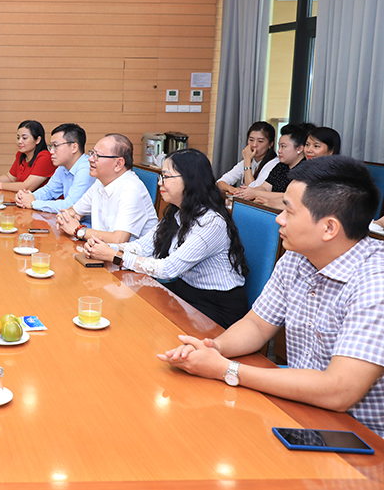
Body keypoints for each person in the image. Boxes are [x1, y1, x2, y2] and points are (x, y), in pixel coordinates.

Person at [159, 156, 384, 437]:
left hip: (362, 437)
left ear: (329, 228)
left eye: (289, 211)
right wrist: (213, 348)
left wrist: (227, 369)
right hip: (300, 410)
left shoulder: (375, 283)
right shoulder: (297, 257)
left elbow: (339, 391)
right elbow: (256, 325)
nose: (279, 218)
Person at [82, 149, 250, 328]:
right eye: (161, 176)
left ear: (190, 179)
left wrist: (114, 256)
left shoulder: (212, 222)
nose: (160, 183)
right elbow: (143, 247)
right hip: (185, 292)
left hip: (216, 306)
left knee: (142, 323)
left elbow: (169, 268)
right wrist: (104, 247)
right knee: (130, 312)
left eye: (166, 177)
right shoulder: (178, 212)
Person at [57, 134, 159, 243]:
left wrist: (79, 230)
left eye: (97, 155)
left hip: (126, 253)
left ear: (119, 164)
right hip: (99, 250)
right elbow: (75, 211)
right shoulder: (100, 182)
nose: (90, 159)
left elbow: (119, 239)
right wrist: (66, 218)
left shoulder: (131, 190)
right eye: (92, 153)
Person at [15, 123, 93, 217]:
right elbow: (48, 191)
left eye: (55, 146)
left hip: (86, 225)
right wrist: (27, 197)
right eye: (51, 146)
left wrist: (33, 203)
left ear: (74, 147)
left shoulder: (86, 169)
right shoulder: (62, 167)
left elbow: (70, 206)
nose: (51, 151)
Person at [233, 123, 312, 208]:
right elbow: (265, 187)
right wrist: (246, 192)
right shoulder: (281, 166)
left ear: (299, 149)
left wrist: (255, 193)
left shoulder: (307, 170)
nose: (279, 151)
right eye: (279, 146)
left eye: (283, 146)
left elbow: (291, 196)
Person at [0, 120, 57, 192]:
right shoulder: (21, 155)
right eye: (18, 138)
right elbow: (10, 177)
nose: (19, 141)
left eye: (24, 138)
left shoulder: (45, 157)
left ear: (37, 140)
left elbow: (27, 187)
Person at [216, 121, 278, 194]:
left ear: (270, 144)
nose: (254, 145)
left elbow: (253, 191)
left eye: (260, 141)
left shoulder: (275, 164)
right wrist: (232, 189)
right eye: (251, 140)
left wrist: (247, 160)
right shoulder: (248, 160)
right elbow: (220, 182)